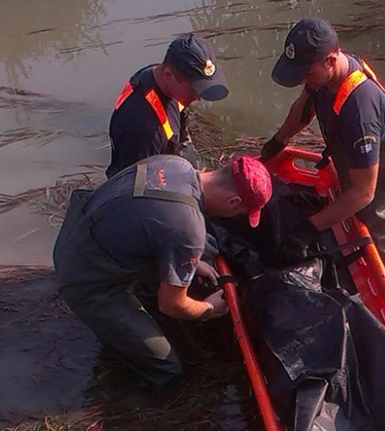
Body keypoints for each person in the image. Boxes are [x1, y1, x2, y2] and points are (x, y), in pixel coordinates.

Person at [53, 154, 272, 389]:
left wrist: (189, 260)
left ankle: (123, 332)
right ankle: (120, 401)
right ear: (234, 202)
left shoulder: (173, 164)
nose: (235, 216)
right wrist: (210, 308)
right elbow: (171, 305)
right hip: (84, 277)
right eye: (240, 213)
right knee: (166, 369)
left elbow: (152, 219)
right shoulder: (188, 230)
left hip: (76, 232)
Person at [260, 17, 385, 291]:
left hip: (380, 202)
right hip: (353, 176)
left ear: (331, 59)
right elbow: (304, 107)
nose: (302, 81)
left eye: (306, 74)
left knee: (381, 280)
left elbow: (363, 193)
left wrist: (308, 228)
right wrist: (278, 141)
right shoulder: (324, 75)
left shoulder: (359, 109)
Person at [106, 33, 228, 178]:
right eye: (194, 88)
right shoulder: (143, 129)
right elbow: (139, 192)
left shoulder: (157, 77)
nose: (199, 96)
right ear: (169, 75)